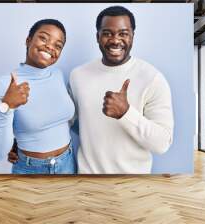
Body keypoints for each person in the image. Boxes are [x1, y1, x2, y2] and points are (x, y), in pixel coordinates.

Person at [68, 6, 174, 174]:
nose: (115, 40)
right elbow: (67, 121)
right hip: (88, 181)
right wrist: (21, 144)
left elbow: (162, 144)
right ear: (97, 37)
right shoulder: (78, 76)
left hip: (134, 183)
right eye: (107, 33)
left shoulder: (152, 78)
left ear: (132, 36)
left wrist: (126, 113)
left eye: (123, 33)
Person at [0, 19, 76, 174]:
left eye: (58, 45)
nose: (49, 46)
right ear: (28, 40)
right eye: (43, 38)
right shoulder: (4, 84)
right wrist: (7, 106)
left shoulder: (58, 75)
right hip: (31, 168)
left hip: (67, 162)